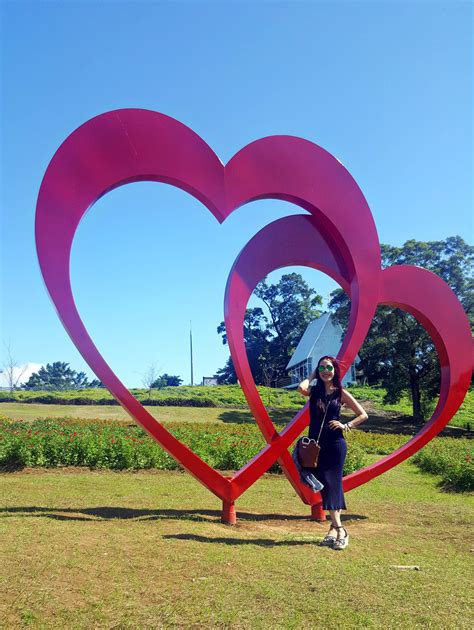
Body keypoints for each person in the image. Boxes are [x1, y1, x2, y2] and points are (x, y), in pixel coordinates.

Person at [298, 355, 368, 550]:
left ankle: (339, 529)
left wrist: (346, 425)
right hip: (316, 446)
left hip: (335, 444)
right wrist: (313, 373)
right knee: (326, 486)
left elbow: (363, 414)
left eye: (329, 367)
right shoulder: (314, 392)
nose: (325, 371)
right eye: (321, 368)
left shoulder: (340, 393)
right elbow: (301, 387)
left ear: (335, 370)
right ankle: (333, 529)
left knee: (332, 483)